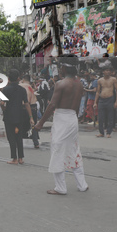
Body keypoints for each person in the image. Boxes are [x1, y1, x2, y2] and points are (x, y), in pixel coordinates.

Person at [34, 57, 89, 195]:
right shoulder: (79, 84)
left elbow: (52, 104)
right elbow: (76, 106)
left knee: (58, 150)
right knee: (74, 150)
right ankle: (82, 185)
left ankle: (60, 187)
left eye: (60, 67)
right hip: (72, 118)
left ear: (64, 68)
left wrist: (40, 123)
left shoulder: (61, 84)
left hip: (62, 119)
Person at [1, 69, 34, 165]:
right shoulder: (22, 90)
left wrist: (3, 107)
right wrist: (31, 117)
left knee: (11, 138)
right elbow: (27, 104)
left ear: (8, 79)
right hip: (20, 116)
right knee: (19, 136)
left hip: (9, 116)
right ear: (18, 78)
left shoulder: (6, 90)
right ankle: (21, 158)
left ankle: (14, 158)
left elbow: (3, 103)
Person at [94, 67, 117, 138]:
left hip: (110, 99)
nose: (108, 72)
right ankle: (101, 132)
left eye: (109, 70)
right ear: (103, 72)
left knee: (110, 116)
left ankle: (109, 132)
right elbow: (97, 92)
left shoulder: (113, 79)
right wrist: (95, 102)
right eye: (106, 70)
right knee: (100, 117)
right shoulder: (100, 80)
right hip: (102, 99)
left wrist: (116, 101)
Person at [19, 74, 40, 148]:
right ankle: (36, 142)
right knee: (33, 124)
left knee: (20, 124)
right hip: (33, 106)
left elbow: (26, 99)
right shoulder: (30, 86)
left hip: (25, 106)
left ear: (23, 80)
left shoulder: (21, 85)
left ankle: (19, 142)